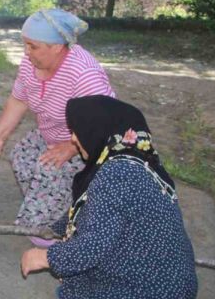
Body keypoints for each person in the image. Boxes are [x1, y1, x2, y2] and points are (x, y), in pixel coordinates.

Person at [21, 95, 198, 299]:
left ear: (97, 129)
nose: (73, 138)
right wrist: (55, 230)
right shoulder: (137, 163)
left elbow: (92, 246)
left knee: (76, 281)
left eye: (78, 129)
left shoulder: (118, 174)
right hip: (167, 279)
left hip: (148, 288)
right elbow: (93, 209)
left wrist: (44, 257)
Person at [0, 8, 114, 238]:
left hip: (88, 146)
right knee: (21, 156)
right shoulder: (29, 65)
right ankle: (50, 205)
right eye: (25, 44)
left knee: (48, 168)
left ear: (56, 46)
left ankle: (54, 232)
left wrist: (71, 147)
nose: (26, 52)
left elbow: (106, 121)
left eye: (33, 46)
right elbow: (18, 100)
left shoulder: (83, 73)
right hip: (51, 132)